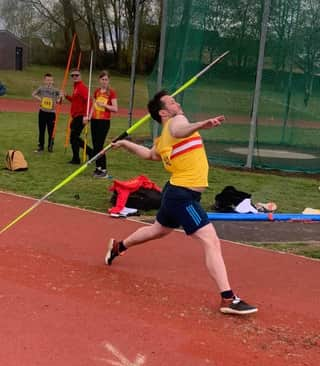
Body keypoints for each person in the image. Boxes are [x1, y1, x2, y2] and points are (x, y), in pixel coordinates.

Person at [105, 90, 258, 315]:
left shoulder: (165, 136)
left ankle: (118, 247)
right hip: (182, 196)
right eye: (172, 102)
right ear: (164, 112)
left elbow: (149, 154)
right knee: (211, 241)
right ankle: (228, 299)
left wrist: (126, 144)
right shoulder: (177, 122)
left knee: (158, 230)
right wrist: (201, 124)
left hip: (175, 192)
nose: (178, 104)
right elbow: (181, 128)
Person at [89, 70, 118, 178]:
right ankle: (98, 168)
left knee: (100, 145)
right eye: (102, 79)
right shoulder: (96, 91)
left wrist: (104, 105)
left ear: (108, 80)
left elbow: (115, 109)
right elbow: (93, 105)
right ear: (99, 80)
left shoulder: (111, 93)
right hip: (94, 120)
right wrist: (89, 116)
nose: (104, 81)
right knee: (95, 145)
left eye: (106, 79)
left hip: (104, 121)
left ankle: (104, 169)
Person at [64, 69, 93, 164]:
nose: (74, 77)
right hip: (76, 116)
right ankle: (77, 158)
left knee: (74, 137)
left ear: (80, 76)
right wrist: (67, 96)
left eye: (76, 75)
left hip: (81, 116)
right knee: (74, 138)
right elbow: (75, 101)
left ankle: (89, 153)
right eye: (72, 75)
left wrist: (86, 116)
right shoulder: (76, 88)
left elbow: (89, 101)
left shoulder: (82, 87)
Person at [32, 73, 61, 153]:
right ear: (44, 81)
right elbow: (33, 94)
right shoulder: (41, 88)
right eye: (47, 80)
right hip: (42, 112)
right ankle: (41, 146)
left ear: (53, 81)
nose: (49, 82)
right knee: (42, 130)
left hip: (51, 113)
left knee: (51, 131)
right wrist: (40, 99)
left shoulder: (55, 90)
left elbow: (61, 97)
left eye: (50, 80)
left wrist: (58, 99)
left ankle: (50, 146)